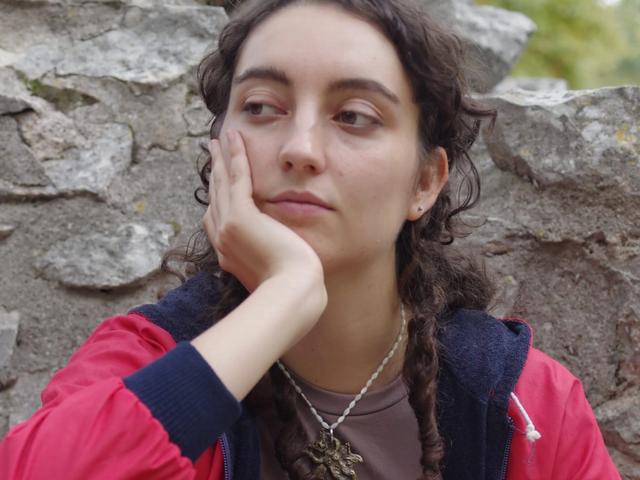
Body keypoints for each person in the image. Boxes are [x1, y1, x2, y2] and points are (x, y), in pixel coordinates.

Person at [0, 0, 622, 479]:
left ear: (425, 182)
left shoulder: (523, 403)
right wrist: (286, 296)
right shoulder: (143, 362)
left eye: (354, 116)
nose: (299, 148)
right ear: (219, 151)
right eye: (261, 107)